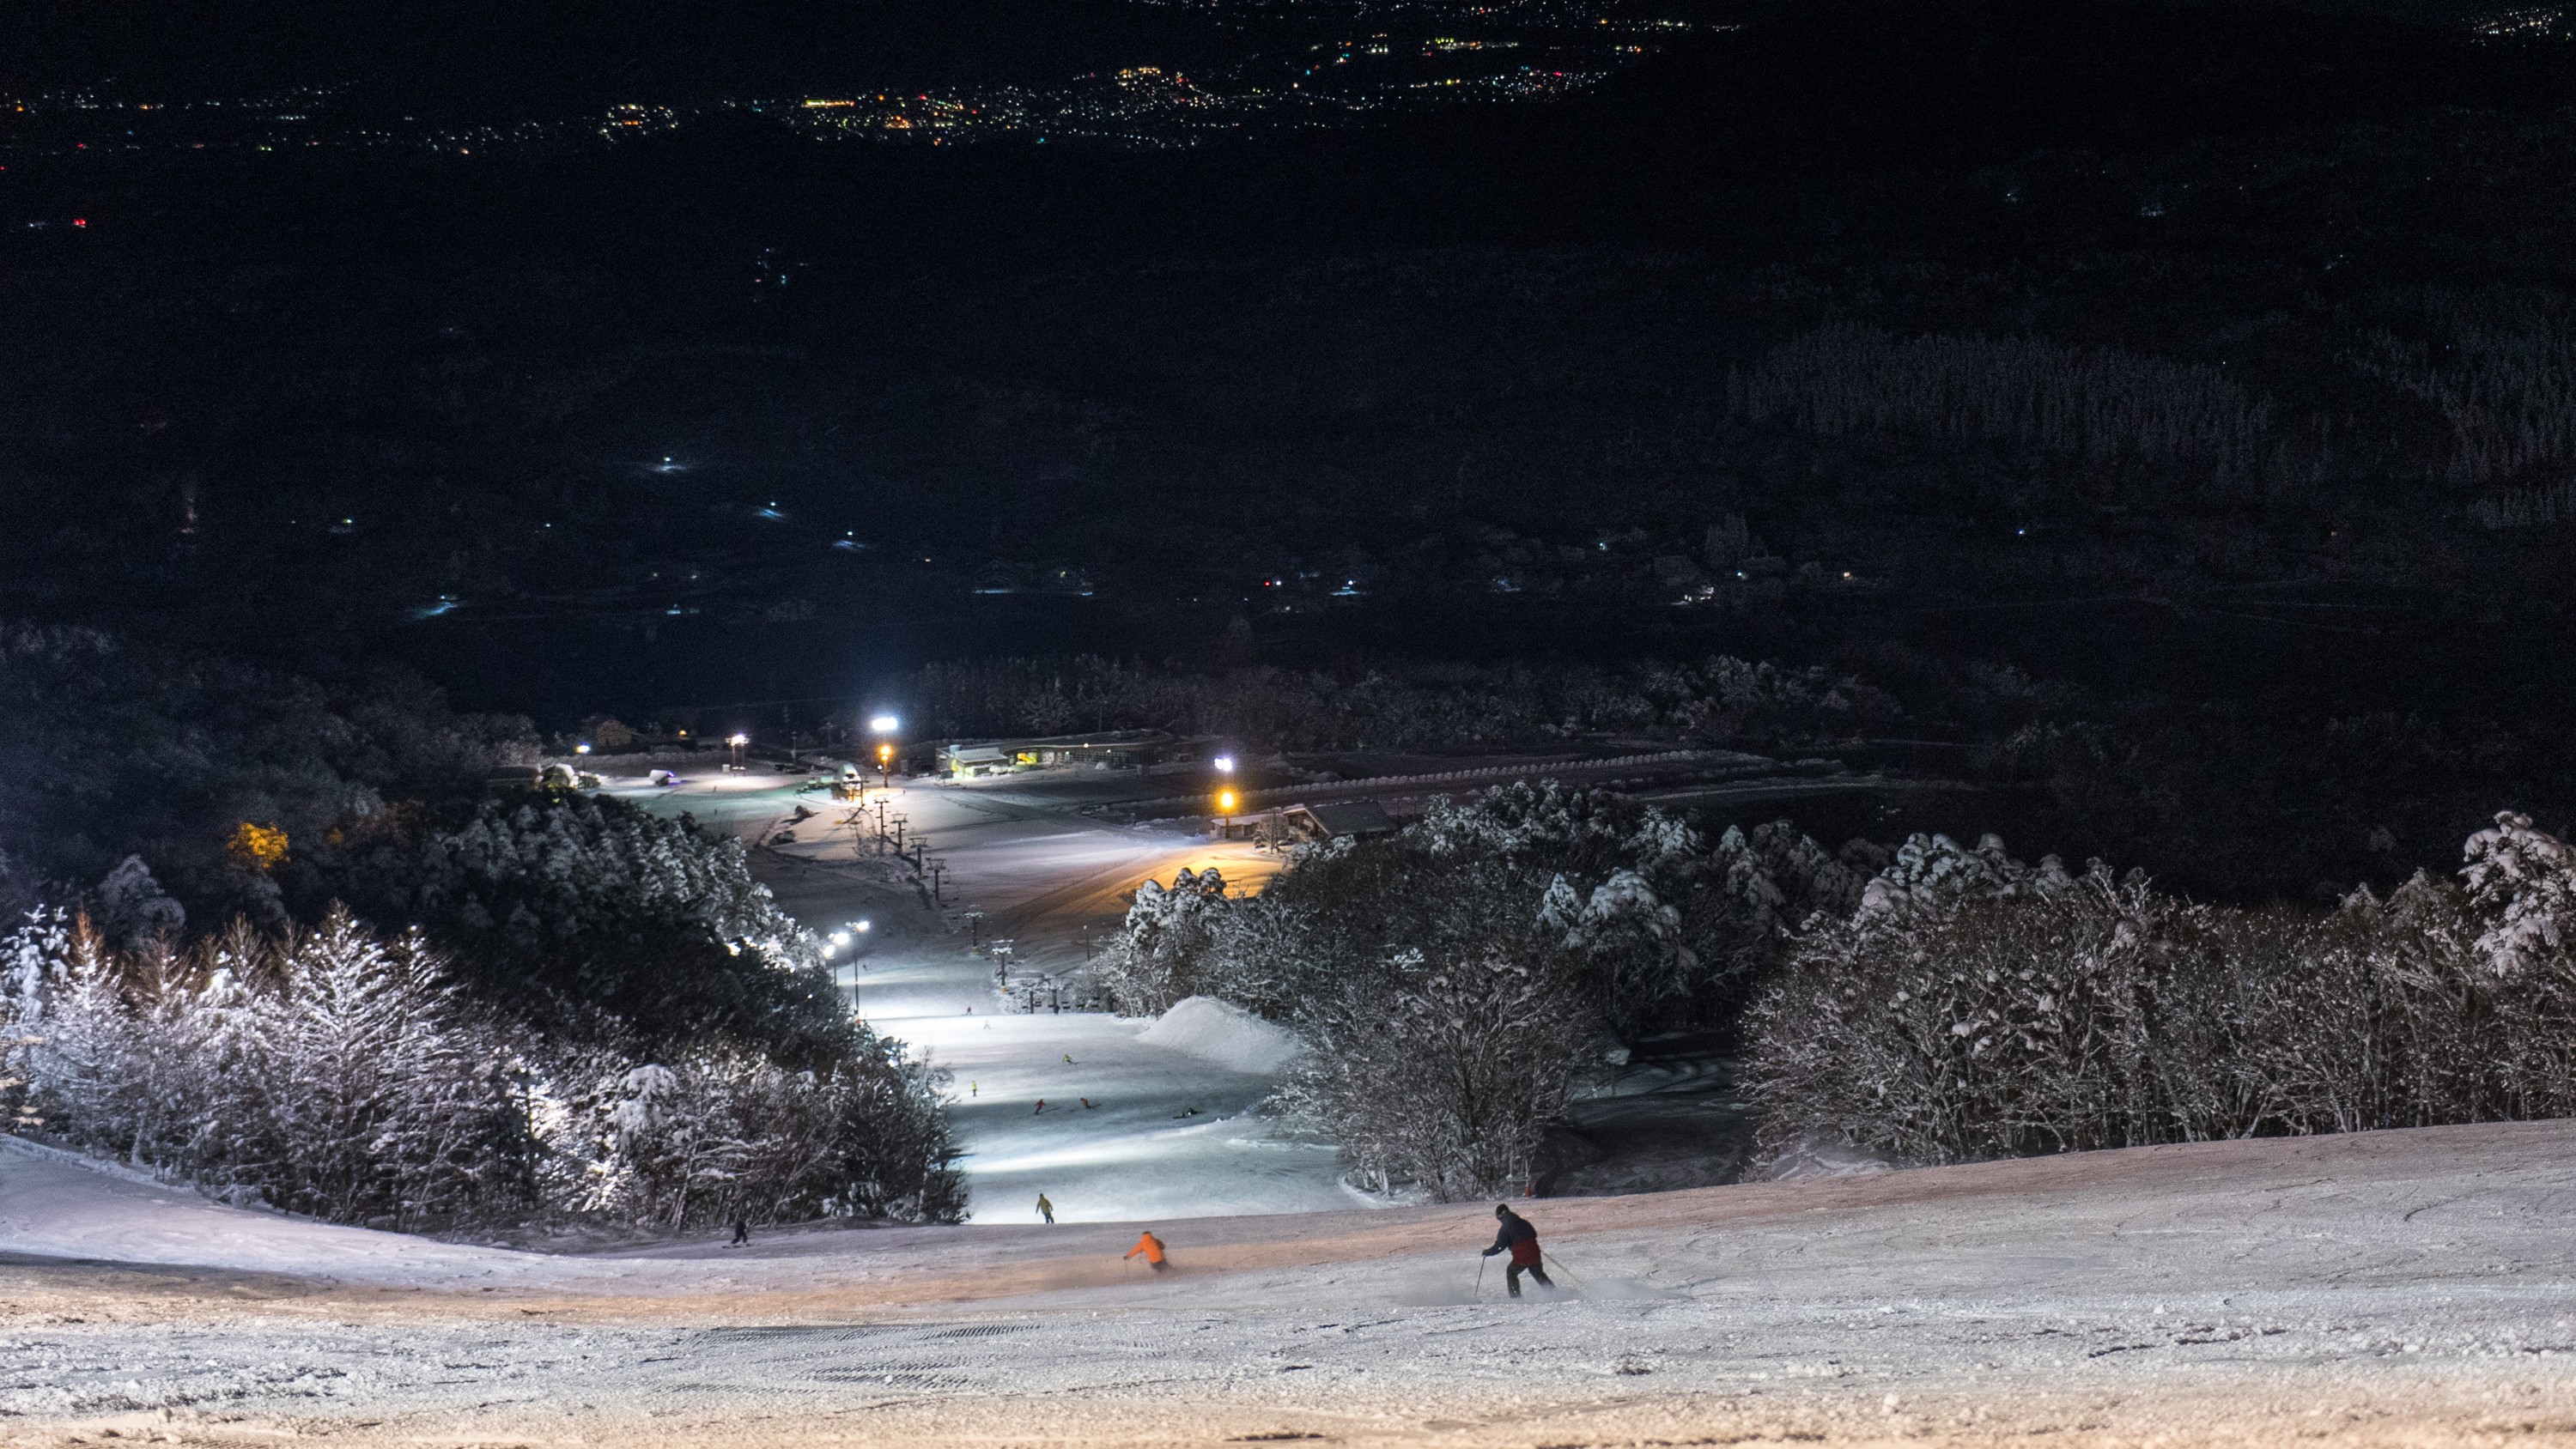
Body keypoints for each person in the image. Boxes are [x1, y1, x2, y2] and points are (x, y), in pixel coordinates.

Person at [1482, 1203, 1552, 1297]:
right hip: (1534, 1250)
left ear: (1500, 1216)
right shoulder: (1523, 1222)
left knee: (1511, 1272)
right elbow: (1533, 1234)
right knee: (1537, 1272)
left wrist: (1488, 1252)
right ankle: (1553, 1292)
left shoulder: (1505, 1227)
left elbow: (1500, 1245)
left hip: (1522, 1253)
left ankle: (1516, 1297)